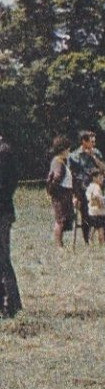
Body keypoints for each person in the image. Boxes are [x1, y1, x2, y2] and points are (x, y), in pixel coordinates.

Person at [67, 130, 105, 245]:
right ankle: (87, 241)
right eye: (91, 141)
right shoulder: (74, 156)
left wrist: (93, 157)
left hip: (97, 190)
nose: (93, 144)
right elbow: (71, 176)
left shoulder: (97, 153)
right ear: (84, 141)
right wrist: (74, 195)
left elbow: (104, 169)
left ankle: (104, 241)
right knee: (86, 216)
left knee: (101, 214)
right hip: (82, 190)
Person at [0, 130, 20, 317]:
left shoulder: (3, 152)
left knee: (2, 259)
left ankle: (9, 304)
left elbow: (6, 185)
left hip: (1, 212)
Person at [46, 136, 76, 247]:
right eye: (68, 148)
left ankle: (61, 243)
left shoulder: (62, 161)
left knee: (64, 219)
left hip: (65, 193)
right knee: (60, 219)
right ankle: (59, 245)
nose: (69, 151)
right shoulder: (58, 161)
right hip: (60, 194)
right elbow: (57, 177)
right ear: (63, 149)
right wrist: (55, 192)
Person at [83, 171, 105, 246]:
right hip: (99, 212)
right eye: (100, 178)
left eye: (102, 178)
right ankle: (101, 244)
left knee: (93, 228)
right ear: (94, 178)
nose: (102, 179)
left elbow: (89, 198)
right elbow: (97, 198)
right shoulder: (97, 187)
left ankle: (90, 241)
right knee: (101, 229)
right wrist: (104, 207)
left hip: (92, 212)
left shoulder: (89, 187)